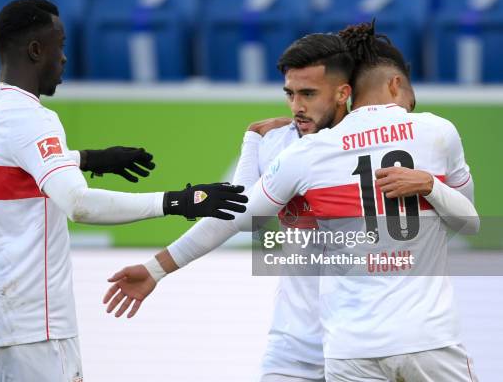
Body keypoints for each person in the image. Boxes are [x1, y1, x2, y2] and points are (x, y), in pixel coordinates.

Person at [104, 24, 480, 381]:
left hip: (361, 338)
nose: (296, 106)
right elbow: (238, 215)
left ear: (343, 92)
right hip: (304, 344)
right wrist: (157, 268)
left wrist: (429, 190)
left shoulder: (345, 148)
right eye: (290, 94)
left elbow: (461, 223)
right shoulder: (285, 146)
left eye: (308, 94)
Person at [0, 0, 248, 382]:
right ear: (35, 50)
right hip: (31, 323)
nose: (63, 58)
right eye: (59, 45)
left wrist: (88, 158)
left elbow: (12, 165)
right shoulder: (33, 118)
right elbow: (78, 204)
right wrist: (179, 201)